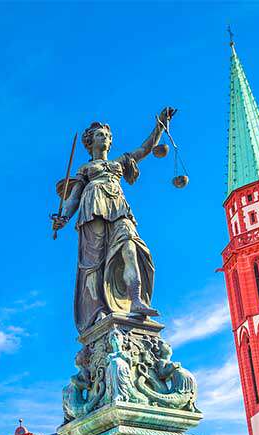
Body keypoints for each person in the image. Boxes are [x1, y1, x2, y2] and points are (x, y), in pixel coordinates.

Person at [52, 107, 176, 332]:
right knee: (94, 262)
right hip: (93, 207)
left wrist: (160, 126)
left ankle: (136, 299)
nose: (105, 138)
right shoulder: (86, 168)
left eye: (107, 136)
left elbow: (145, 149)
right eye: (100, 135)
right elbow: (73, 198)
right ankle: (97, 310)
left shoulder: (120, 162)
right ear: (90, 142)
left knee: (131, 247)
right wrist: (64, 218)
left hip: (118, 207)